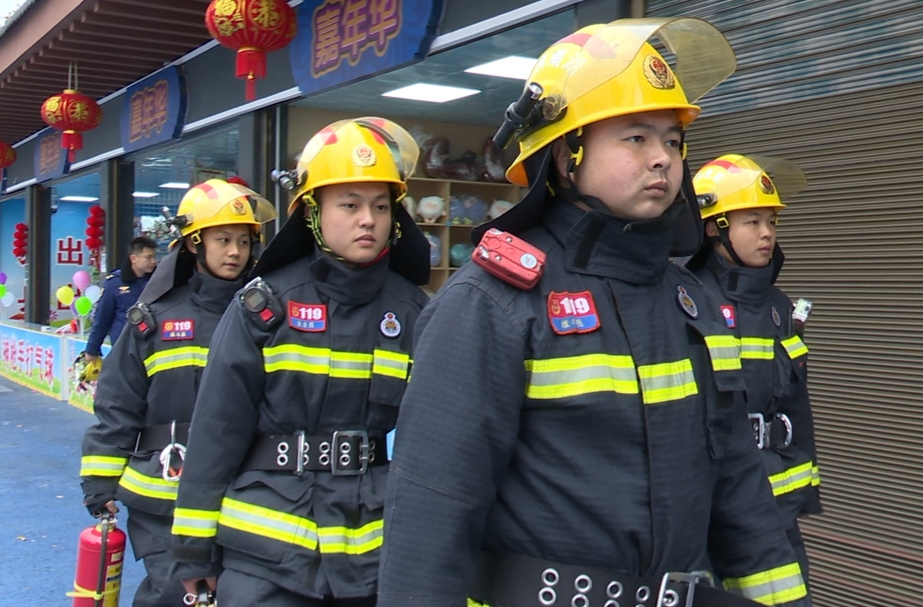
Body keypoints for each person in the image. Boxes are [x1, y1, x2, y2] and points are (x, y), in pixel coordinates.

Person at [377, 18, 812, 607]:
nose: (663, 159)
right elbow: (433, 511)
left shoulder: (692, 301)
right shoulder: (491, 302)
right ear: (566, 154)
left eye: (673, 140)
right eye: (635, 138)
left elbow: (739, 490)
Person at [171, 117, 431, 606]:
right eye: (349, 205)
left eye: (380, 205)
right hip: (265, 555)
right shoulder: (264, 306)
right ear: (312, 213)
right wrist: (193, 551)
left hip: (373, 554)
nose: (368, 220)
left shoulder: (415, 312)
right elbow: (215, 430)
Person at [79, 179, 277, 607]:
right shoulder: (153, 320)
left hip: (244, 494)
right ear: (193, 244)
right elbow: (118, 404)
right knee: (175, 594)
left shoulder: (269, 315)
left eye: (243, 241)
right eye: (222, 240)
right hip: (162, 494)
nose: (234, 252)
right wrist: (100, 480)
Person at [687, 154, 821, 585]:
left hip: (776, 509)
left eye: (772, 222)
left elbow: (795, 409)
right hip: (707, 511)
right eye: (752, 222)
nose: (767, 234)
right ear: (714, 228)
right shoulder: (685, 301)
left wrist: (801, 492)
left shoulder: (780, 308)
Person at [84, 236, 157, 361]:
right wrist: (92, 349)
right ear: (133, 258)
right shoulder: (115, 283)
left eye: (154, 257)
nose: (153, 261)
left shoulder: (158, 280)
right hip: (124, 349)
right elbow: (102, 318)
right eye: (148, 257)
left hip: (154, 347)